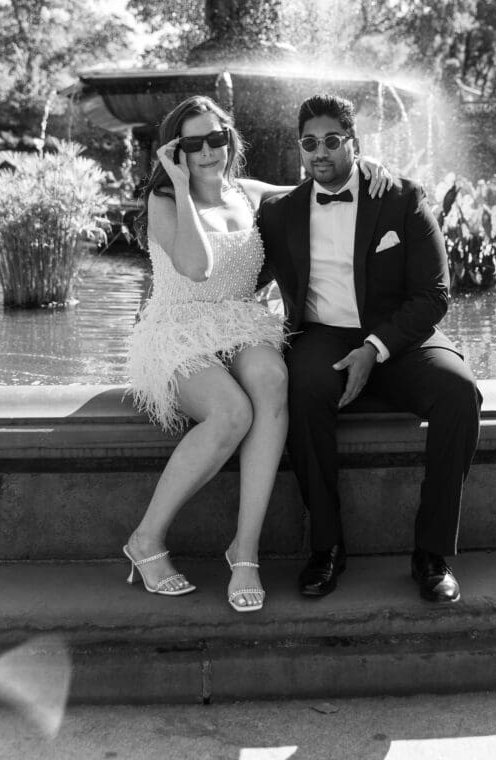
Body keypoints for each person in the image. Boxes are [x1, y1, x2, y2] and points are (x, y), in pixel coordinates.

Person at [126, 95, 389, 612]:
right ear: (175, 150)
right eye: (193, 144)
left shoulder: (249, 193)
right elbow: (197, 267)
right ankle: (145, 538)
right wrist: (179, 183)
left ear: (231, 139)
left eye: (216, 139)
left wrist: (365, 164)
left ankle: (244, 551)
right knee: (232, 412)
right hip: (179, 330)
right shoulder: (164, 200)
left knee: (272, 380)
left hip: (240, 323)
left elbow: (323, 182)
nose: (208, 152)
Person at [258, 94, 482, 605]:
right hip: (323, 336)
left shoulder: (401, 197)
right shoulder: (279, 211)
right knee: (302, 389)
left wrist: (375, 347)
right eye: (309, 142)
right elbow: (231, 208)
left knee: (459, 392)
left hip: (399, 335)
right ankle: (327, 548)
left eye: (332, 140)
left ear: (353, 143)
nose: (320, 151)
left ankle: (431, 554)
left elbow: (434, 294)